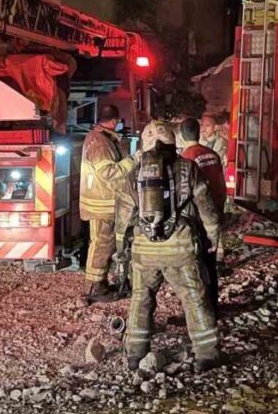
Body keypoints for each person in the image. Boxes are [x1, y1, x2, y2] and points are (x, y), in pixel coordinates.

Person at [118, 120, 222, 372]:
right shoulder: (188, 168)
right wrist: (214, 238)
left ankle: (135, 354)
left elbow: (122, 220)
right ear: (173, 140)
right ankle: (206, 354)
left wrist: (121, 252)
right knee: (194, 298)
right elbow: (207, 209)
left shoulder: (133, 174)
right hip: (181, 250)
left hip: (144, 252)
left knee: (141, 298)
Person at [79, 104, 137, 304]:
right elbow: (109, 173)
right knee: (102, 245)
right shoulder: (101, 143)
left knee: (102, 245)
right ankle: (94, 287)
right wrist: (133, 160)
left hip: (100, 203)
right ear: (114, 121)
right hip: (102, 205)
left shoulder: (97, 138)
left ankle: (97, 283)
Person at [178, 117, 225, 317]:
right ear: (198, 132)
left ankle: (200, 313)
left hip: (196, 219)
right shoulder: (212, 154)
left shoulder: (186, 158)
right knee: (210, 263)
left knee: (194, 266)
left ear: (181, 135)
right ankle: (214, 307)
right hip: (214, 215)